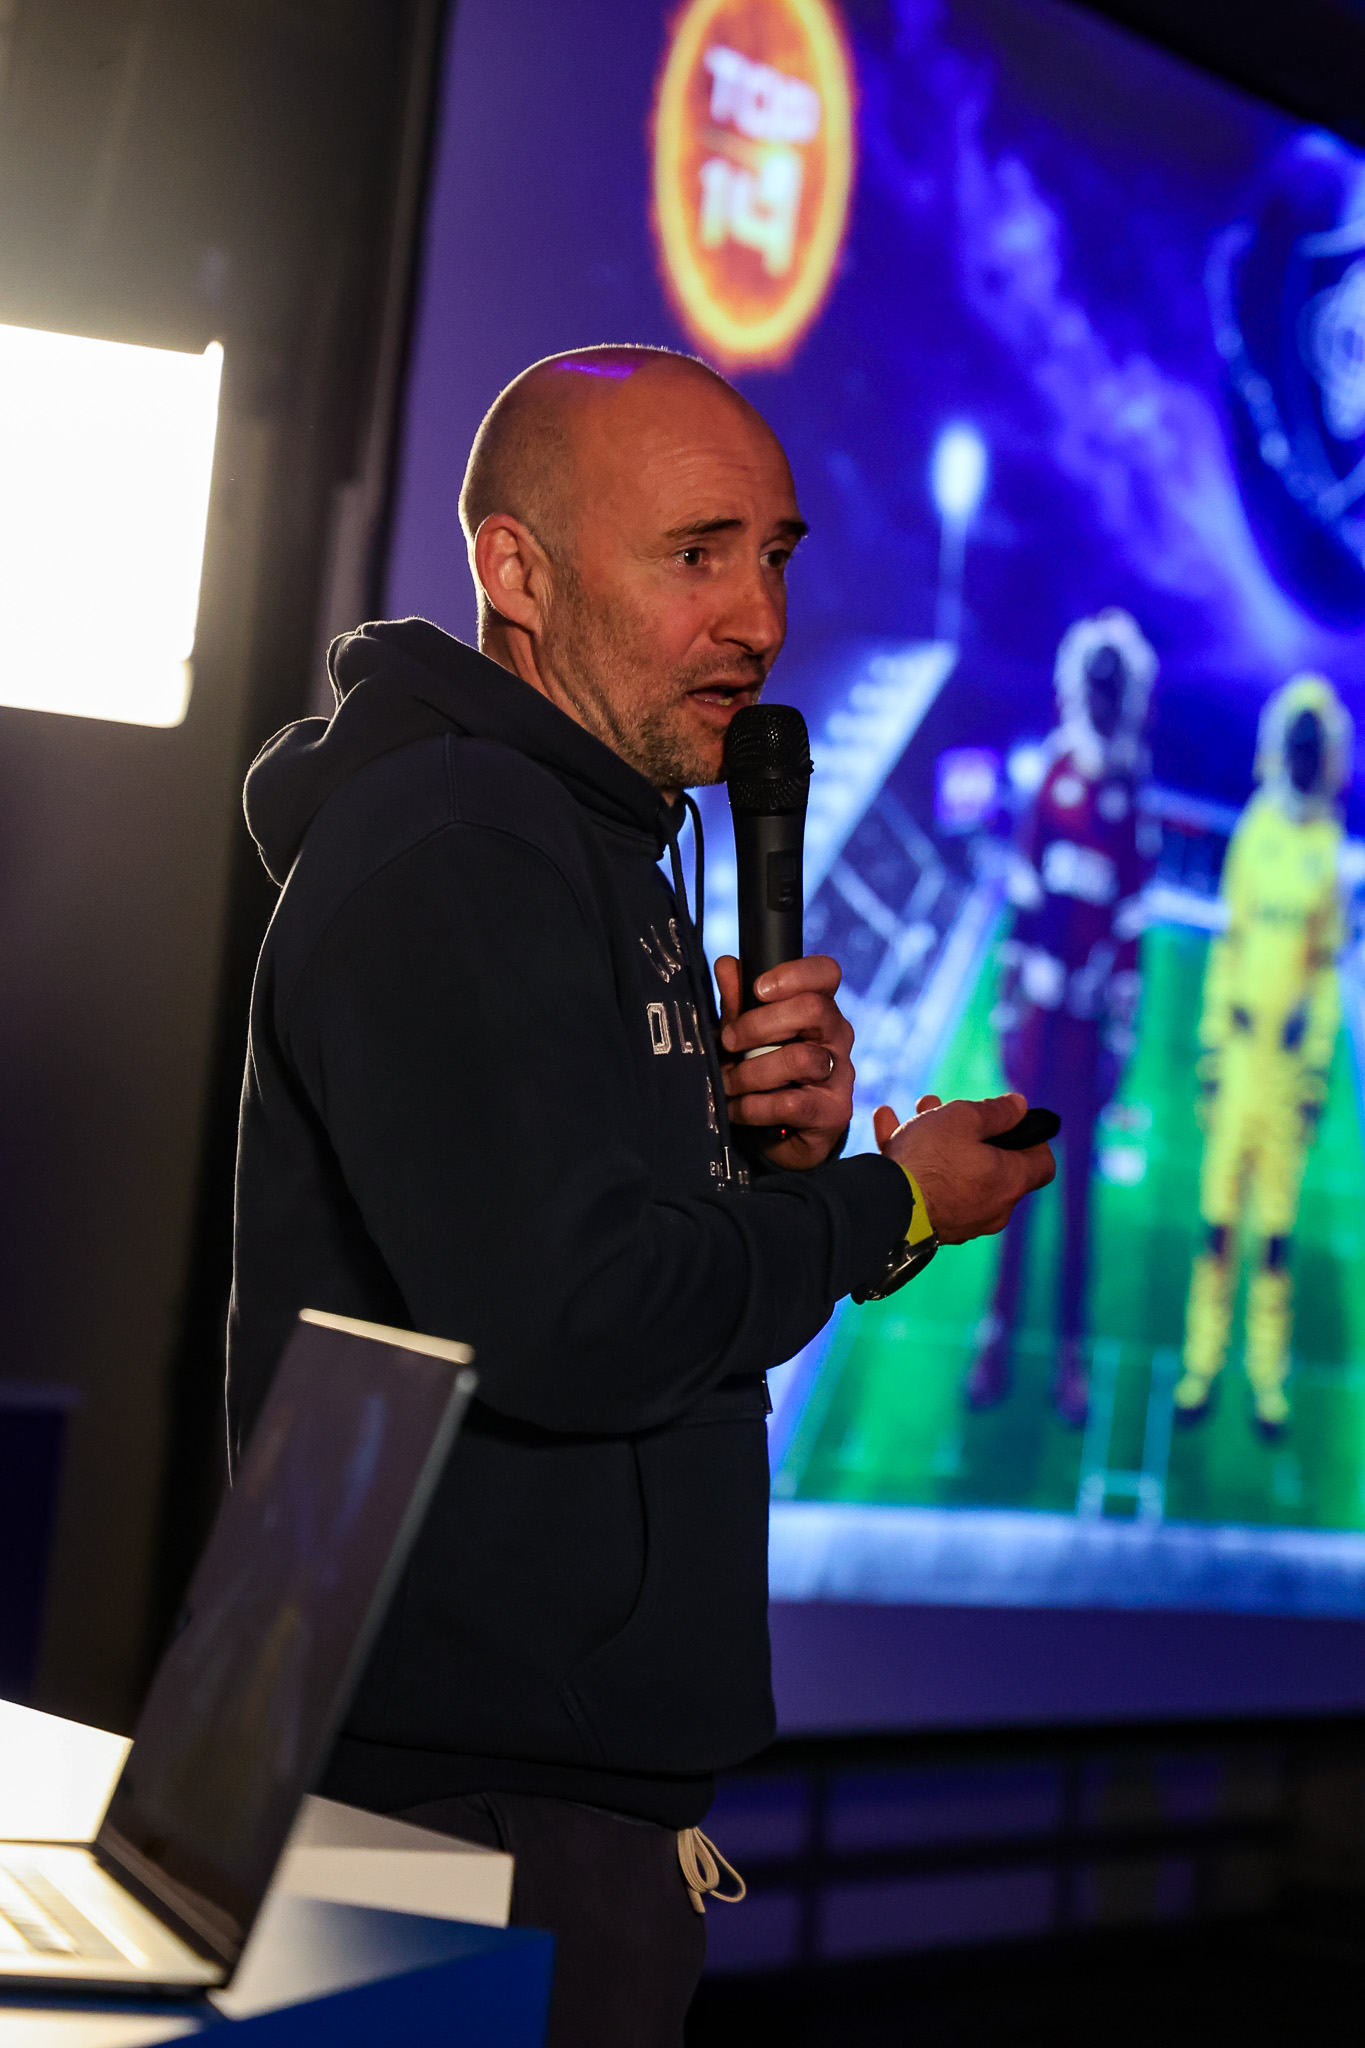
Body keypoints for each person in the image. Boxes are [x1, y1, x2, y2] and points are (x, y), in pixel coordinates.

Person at [227, 344, 1052, 2047]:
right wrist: (884, 1208)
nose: (759, 618)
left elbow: (576, 1252)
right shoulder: (465, 840)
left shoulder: (590, 835)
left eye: (776, 556)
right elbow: (572, 1315)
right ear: (516, 573)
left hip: (522, 1783)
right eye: (695, 554)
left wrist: (771, 1166)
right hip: (448, 1802)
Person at [967, 609, 1157, 1425]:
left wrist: (1119, 1024)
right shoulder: (1049, 775)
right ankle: (997, 1335)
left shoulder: (1129, 796)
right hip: (1041, 1025)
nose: (1104, 701)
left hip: (1083, 1032)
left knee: (1077, 1196)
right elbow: (1022, 896)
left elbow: (1131, 925)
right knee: (1012, 1186)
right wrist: (1010, 1002)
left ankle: (1069, 1353)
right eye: (1096, 685)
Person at [1178, 673, 1351, 1437]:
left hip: (1283, 1079)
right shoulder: (1253, 833)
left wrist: (1312, 1072)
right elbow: (1228, 948)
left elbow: (1324, 971)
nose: (1304, 759)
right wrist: (1212, 1053)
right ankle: (1201, 1363)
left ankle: (1265, 1378)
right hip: (1242, 1061)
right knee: (1216, 1227)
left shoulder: (1328, 850)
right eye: (1297, 744)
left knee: (1274, 1241)